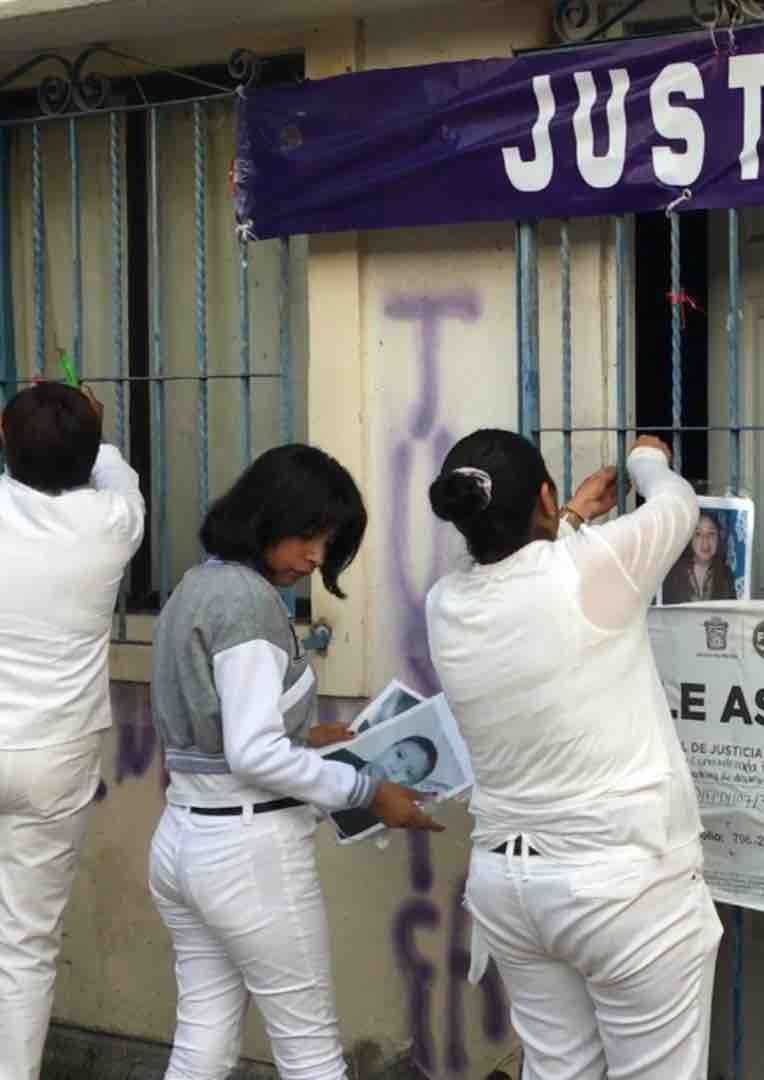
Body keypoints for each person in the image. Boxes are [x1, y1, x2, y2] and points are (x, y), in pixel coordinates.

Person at [425, 431, 721, 1079]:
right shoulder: (591, 566)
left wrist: (570, 518)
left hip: (511, 888)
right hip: (622, 888)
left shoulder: (444, 604)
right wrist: (648, 458)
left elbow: (526, 574)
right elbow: (677, 503)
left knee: (558, 1070)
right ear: (543, 494)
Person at [147, 444, 443, 1080]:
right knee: (309, 1053)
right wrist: (367, 789)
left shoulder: (196, 585)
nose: (314, 557)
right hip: (248, 851)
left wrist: (308, 736)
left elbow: (223, 732)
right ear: (267, 516)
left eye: (326, 541)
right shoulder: (249, 602)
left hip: (182, 840)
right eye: (309, 536)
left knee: (202, 1040)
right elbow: (252, 752)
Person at [0, 382, 144, 1080]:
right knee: (26, 945)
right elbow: (117, 467)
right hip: (56, 756)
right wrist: (91, 421)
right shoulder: (113, 521)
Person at [324, 734, 442, 839]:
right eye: (399, 755)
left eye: (408, 772)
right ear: (389, 748)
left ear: (408, 785)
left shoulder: (373, 825)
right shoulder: (334, 754)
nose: (395, 769)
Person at [661, 510, 738, 603]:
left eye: (711, 533)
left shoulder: (726, 574)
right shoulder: (672, 573)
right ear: (690, 539)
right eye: (697, 534)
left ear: (719, 538)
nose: (705, 540)